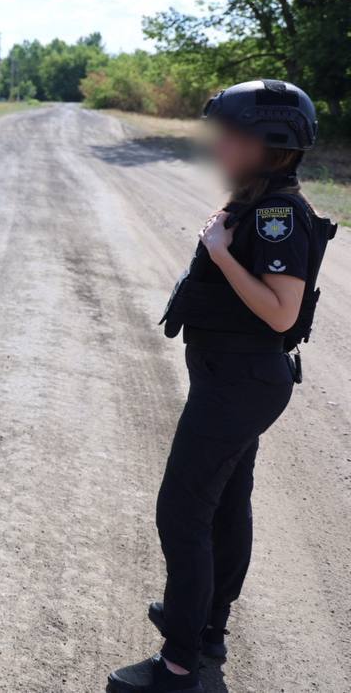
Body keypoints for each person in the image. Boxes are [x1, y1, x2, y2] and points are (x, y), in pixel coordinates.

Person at [107, 80, 336, 693]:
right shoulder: (258, 202)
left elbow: (282, 313)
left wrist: (222, 253)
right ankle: (206, 630)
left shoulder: (280, 214)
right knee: (225, 504)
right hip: (233, 378)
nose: (220, 145)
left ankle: (179, 664)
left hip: (241, 382)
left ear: (271, 144)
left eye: (231, 135)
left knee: (182, 511)